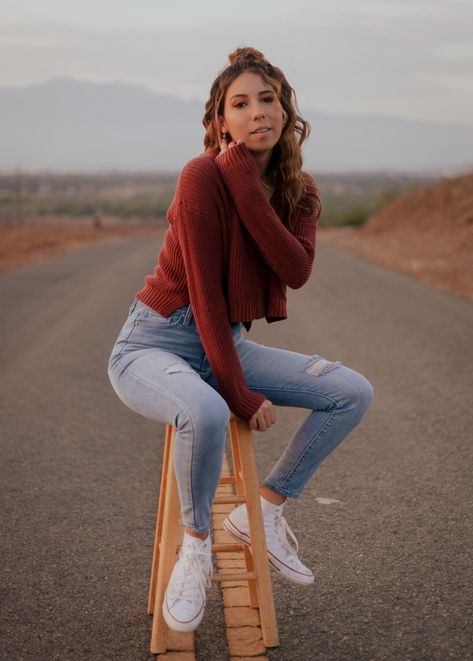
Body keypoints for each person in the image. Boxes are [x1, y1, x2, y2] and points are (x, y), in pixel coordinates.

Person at [107, 46, 374, 633]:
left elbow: (295, 268)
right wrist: (240, 394)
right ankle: (196, 548)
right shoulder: (201, 175)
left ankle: (264, 515)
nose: (258, 112)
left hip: (222, 339)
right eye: (241, 103)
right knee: (203, 409)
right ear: (220, 120)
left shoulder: (298, 190)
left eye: (268, 99)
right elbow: (203, 295)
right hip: (154, 343)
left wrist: (250, 187)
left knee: (350, 391)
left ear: (285, 109)